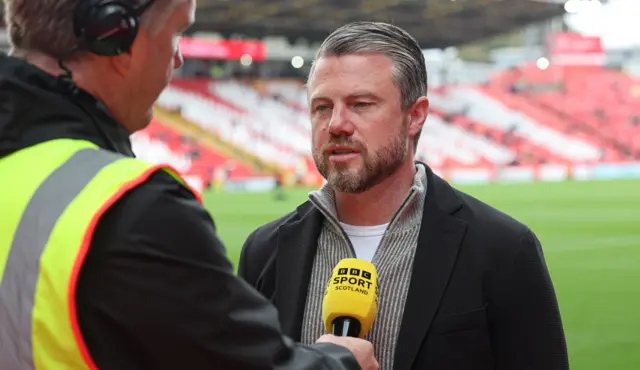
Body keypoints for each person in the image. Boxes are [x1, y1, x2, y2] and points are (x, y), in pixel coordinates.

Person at [0, 1, 379, 369]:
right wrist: (340, 361)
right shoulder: (132, 211)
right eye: (176, 33)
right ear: (112, 34)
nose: (178, 58)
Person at [238, 21, 569, 370]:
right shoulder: (265, 251)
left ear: (415, 116)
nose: (336, 123)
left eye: (361, 104)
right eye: (321, 107)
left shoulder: (503, 249)